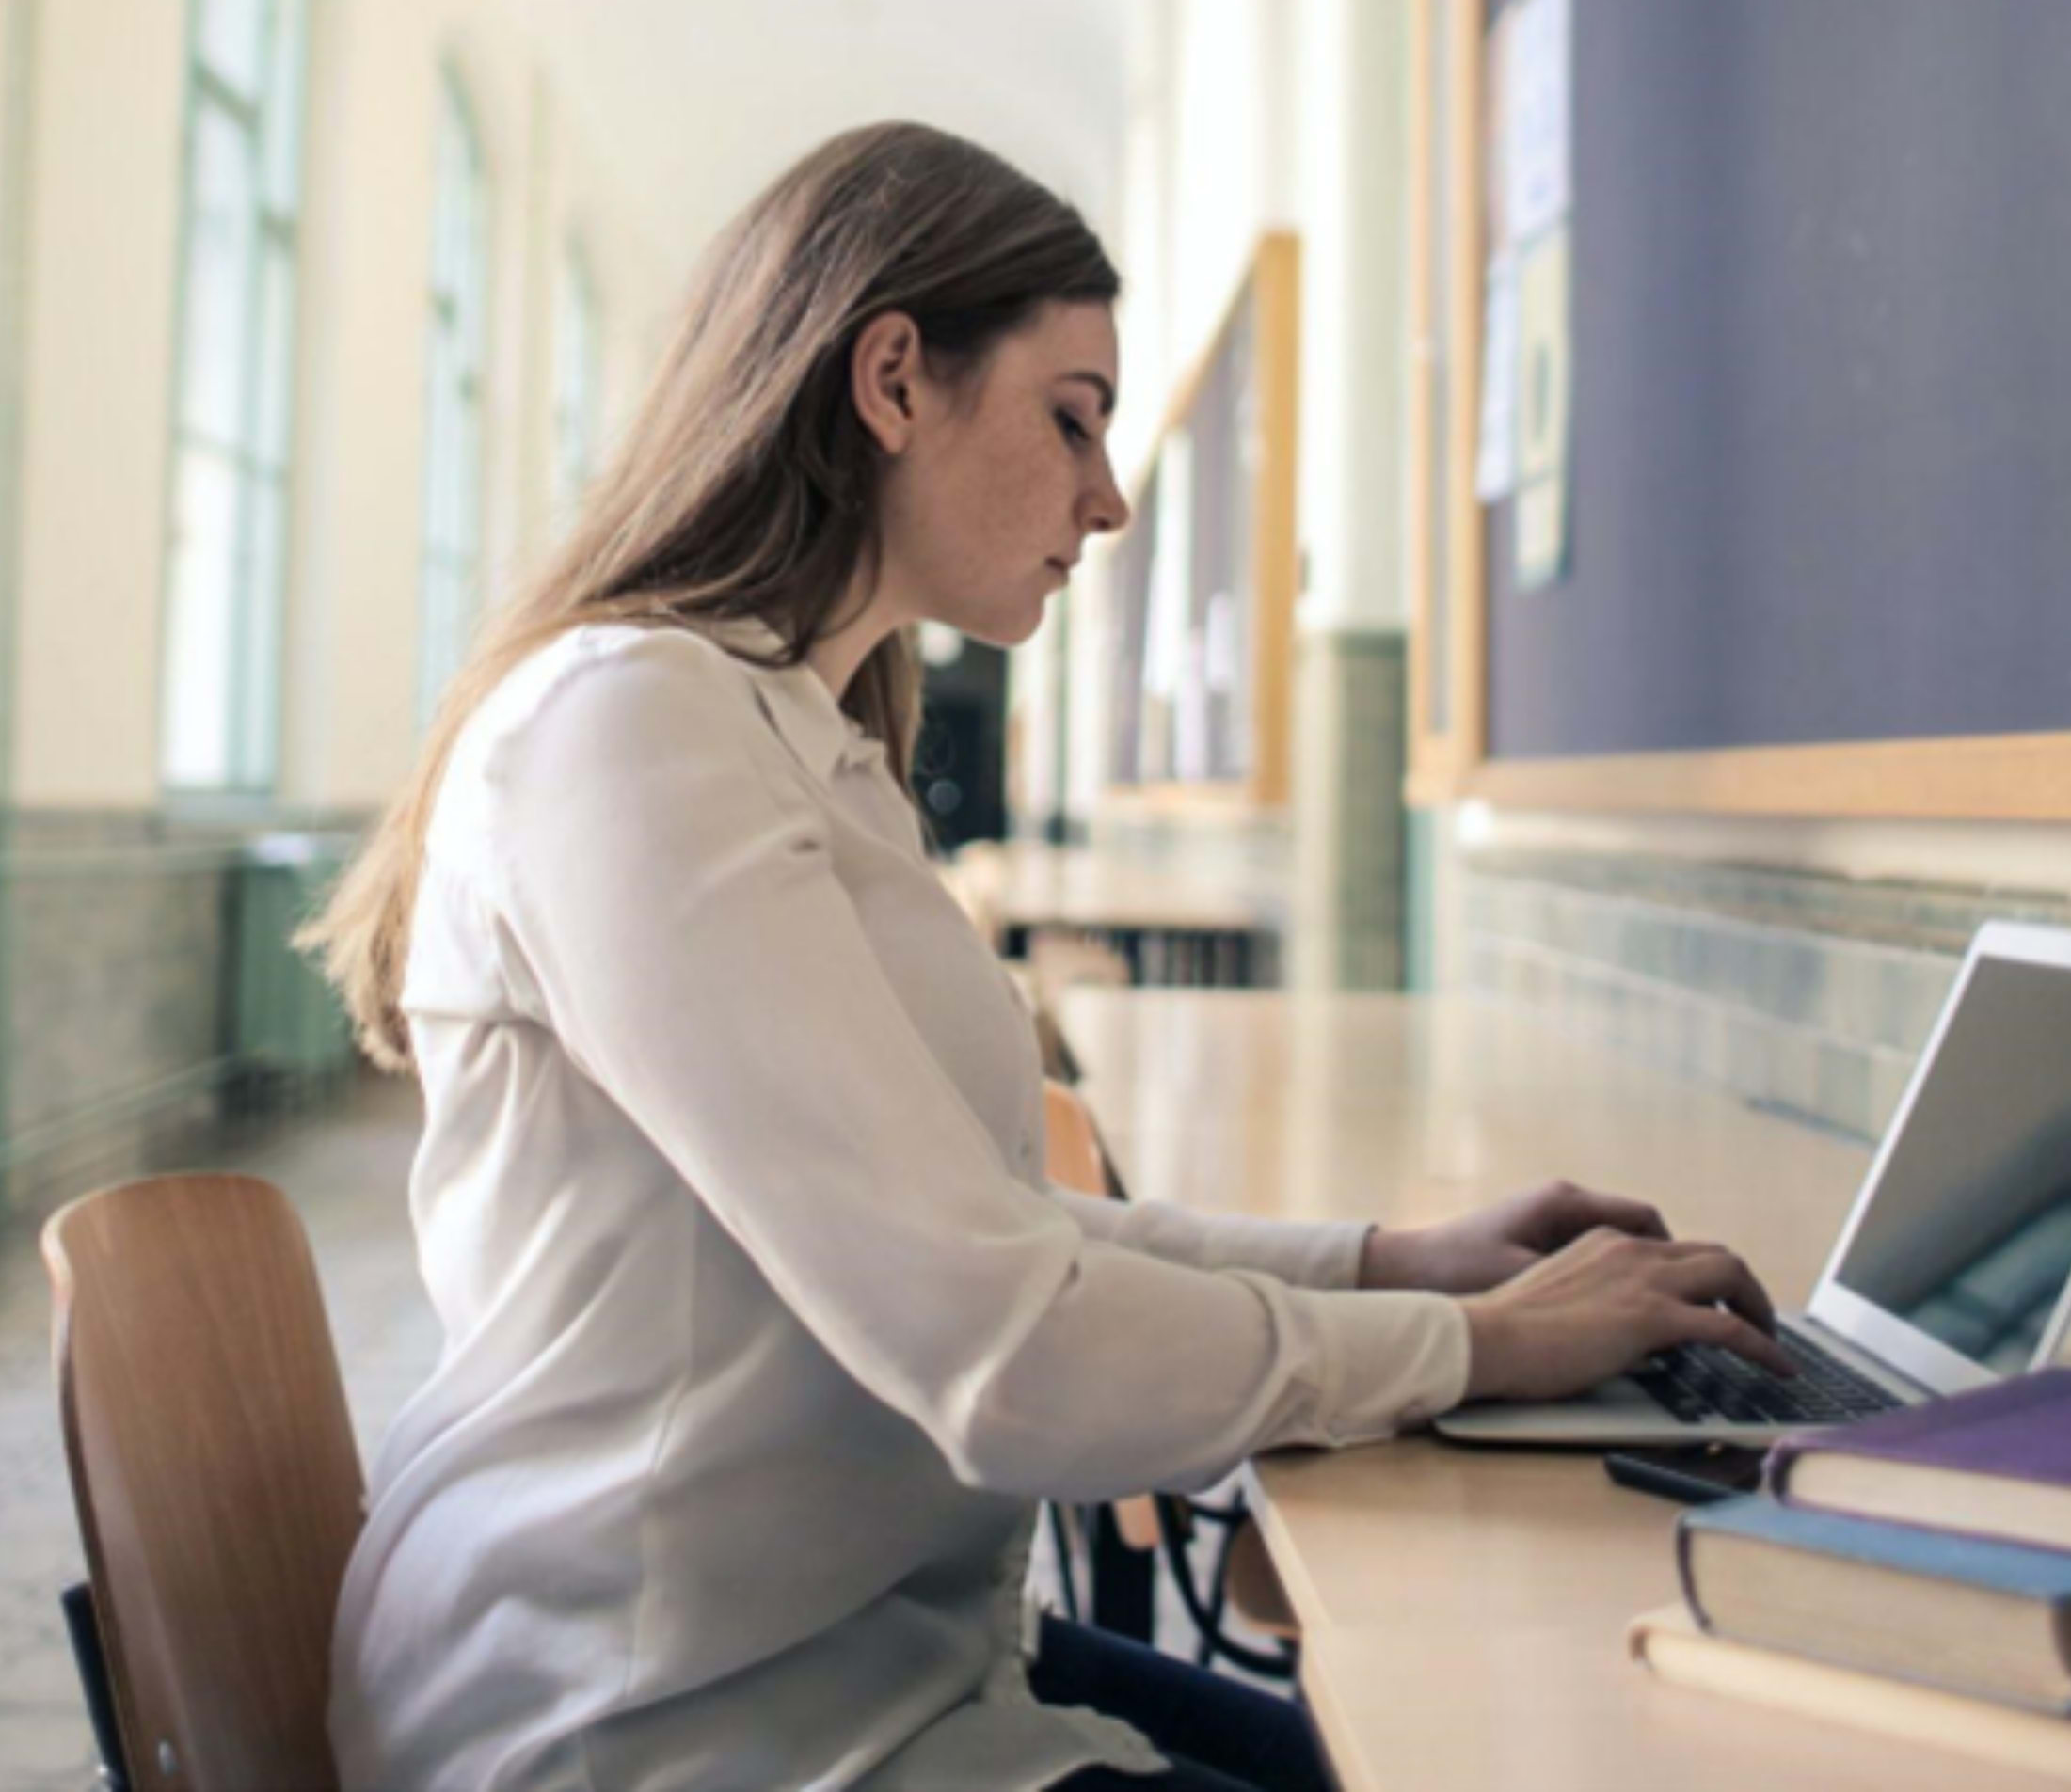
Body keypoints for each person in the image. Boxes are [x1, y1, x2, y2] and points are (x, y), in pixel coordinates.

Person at [311, 122, 1790, 1792]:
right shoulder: (625, 733)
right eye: (1070, 417)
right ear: (892, 381)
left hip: (851, 1662)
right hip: (641, 1723)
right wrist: (1485, 1350)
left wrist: (1395, 1262)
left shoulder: (798, 743)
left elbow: (976, 1225)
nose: (1111, 494)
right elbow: (1000, 1350)